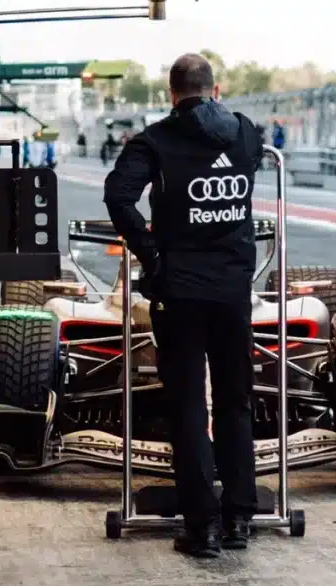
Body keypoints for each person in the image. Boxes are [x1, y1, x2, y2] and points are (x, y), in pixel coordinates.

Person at [104, 52, 263, 558]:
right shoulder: (244, 132)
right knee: (236, 402)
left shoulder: (157, 138)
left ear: (172, 94)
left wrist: (151, 254)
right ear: (216, 90)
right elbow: (254, 165)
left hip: (180, 291)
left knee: (189, 408)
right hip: (234, 289)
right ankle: (240, 517)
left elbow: (118, 195)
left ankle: (203, 529)